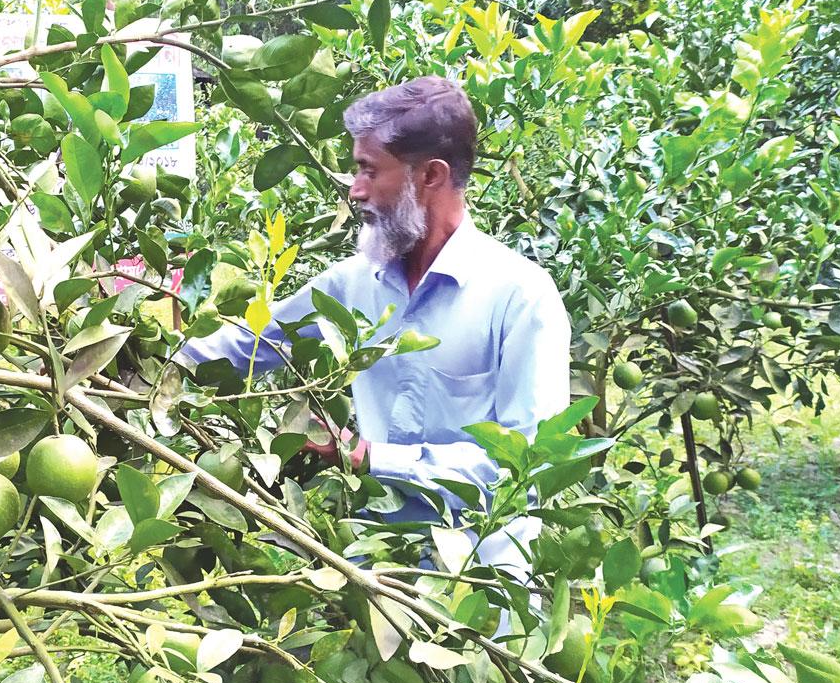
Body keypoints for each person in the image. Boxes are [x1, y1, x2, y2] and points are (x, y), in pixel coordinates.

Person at [176, 75, 570, 579]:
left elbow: (529, 470)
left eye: (369, 171)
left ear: (429, 176)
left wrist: (374, 457)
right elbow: (249, 346)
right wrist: (146, 356)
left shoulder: (519, 298)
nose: (355, 189)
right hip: (372, 569)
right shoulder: (356, 282)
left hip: (478, 588)